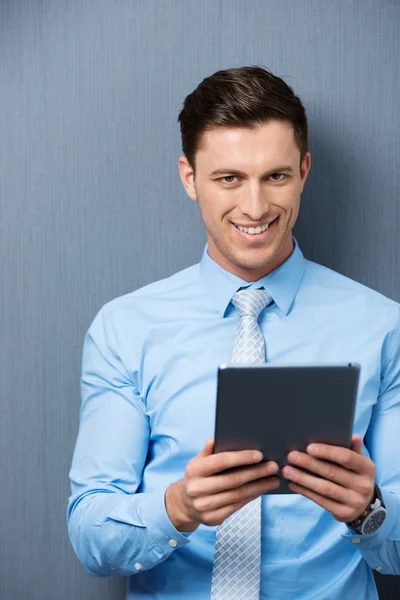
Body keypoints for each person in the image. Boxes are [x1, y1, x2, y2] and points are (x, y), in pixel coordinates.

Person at [67, 65, 400, 599]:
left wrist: (370, 511)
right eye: (229, 178)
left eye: (276, 176)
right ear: (189, 178)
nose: (255, 207)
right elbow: (90, 538)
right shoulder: (124, 329)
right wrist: (179, 507)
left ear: (304, 171)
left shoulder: (384, 327)